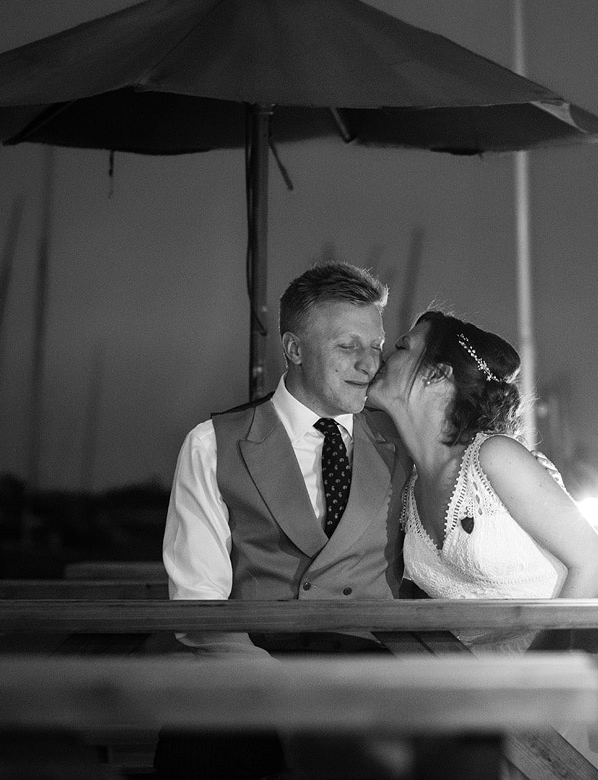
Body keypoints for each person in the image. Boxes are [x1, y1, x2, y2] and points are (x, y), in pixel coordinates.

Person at [366, 310, 598, 780]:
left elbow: (595, 564)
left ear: (439, 375)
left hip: (567, 694)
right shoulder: (410, 488)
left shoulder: (495, 458)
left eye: (400, 346)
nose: (382, 355)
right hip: (480, 696)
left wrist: (535, 681)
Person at [156, 261, 410, 778]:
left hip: (374, 681)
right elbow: (198, 605)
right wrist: (280, 691)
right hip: (249, 674)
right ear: (293, 350)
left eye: (375, 346)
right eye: (347, 346)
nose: (368, 364)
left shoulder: (403, 445)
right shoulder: (212, 444)